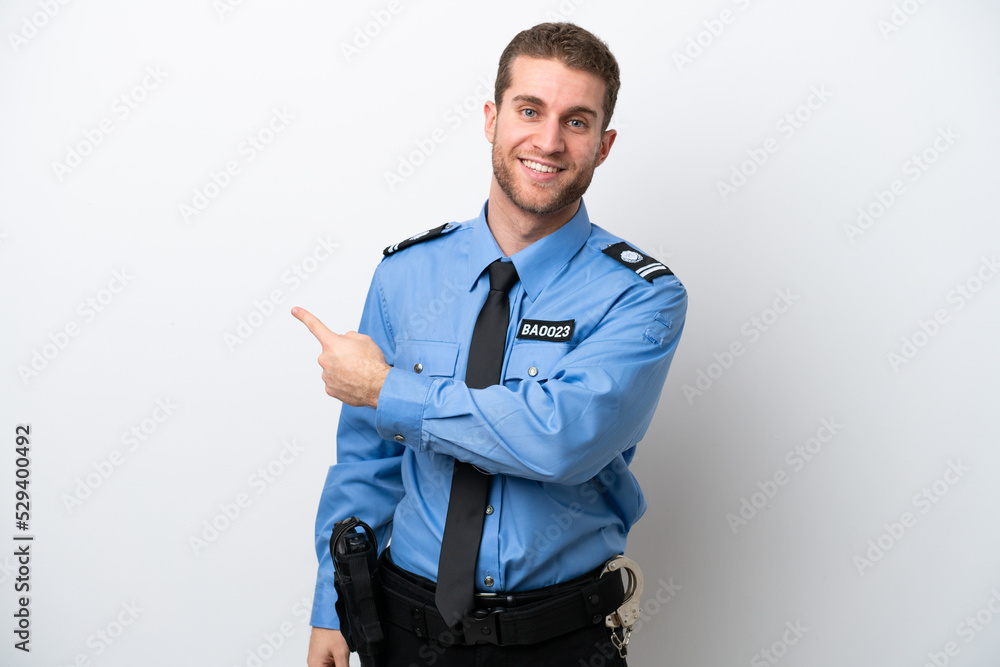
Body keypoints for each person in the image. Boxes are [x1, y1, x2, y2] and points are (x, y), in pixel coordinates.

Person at [295, 22, 687, 667]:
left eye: (577, 121)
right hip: (402, 627)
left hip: (559, 641)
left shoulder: (641, 295)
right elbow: (367, 460)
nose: (549, 140)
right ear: (491, 118)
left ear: (605, 144)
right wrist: (331, 606)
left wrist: (388, 389)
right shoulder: (405, 274)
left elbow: (560, 439)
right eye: (529, 110)